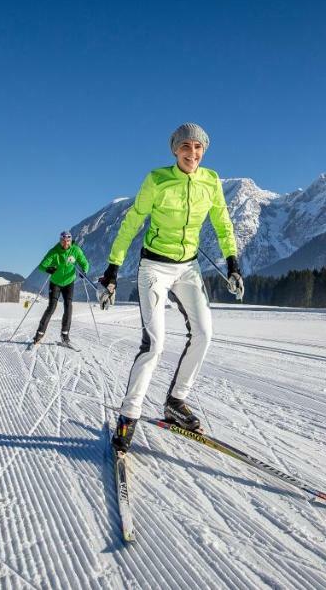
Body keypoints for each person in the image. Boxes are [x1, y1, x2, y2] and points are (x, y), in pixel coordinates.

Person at [99, 123, 243, 452]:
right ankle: (128, 416)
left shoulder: (211, 181)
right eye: (185, 147)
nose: (192, 153)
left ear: (203, 151)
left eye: (198, 148)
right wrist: (112, 268)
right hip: (154, 268)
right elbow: (133, 220)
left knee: (205, 334)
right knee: (155, 344)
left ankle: (176, 401)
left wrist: (233, 263)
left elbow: (222, 221)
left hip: (189, 267)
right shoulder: (157, 180)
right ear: (175, 150)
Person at [33, 231, 89, 346]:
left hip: (69, 282)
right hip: (55, 282)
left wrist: (84, 271)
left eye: (68, 241)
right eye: (63, 241)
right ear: (60, 241)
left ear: (70, 241)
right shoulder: (54, 252)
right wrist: (48, 269)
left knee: (68, 306)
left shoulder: (76, 250)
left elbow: (84, 262)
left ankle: (65, 335)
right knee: (51, 307)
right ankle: (39, 333)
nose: (65, 243)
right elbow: (42, 265)